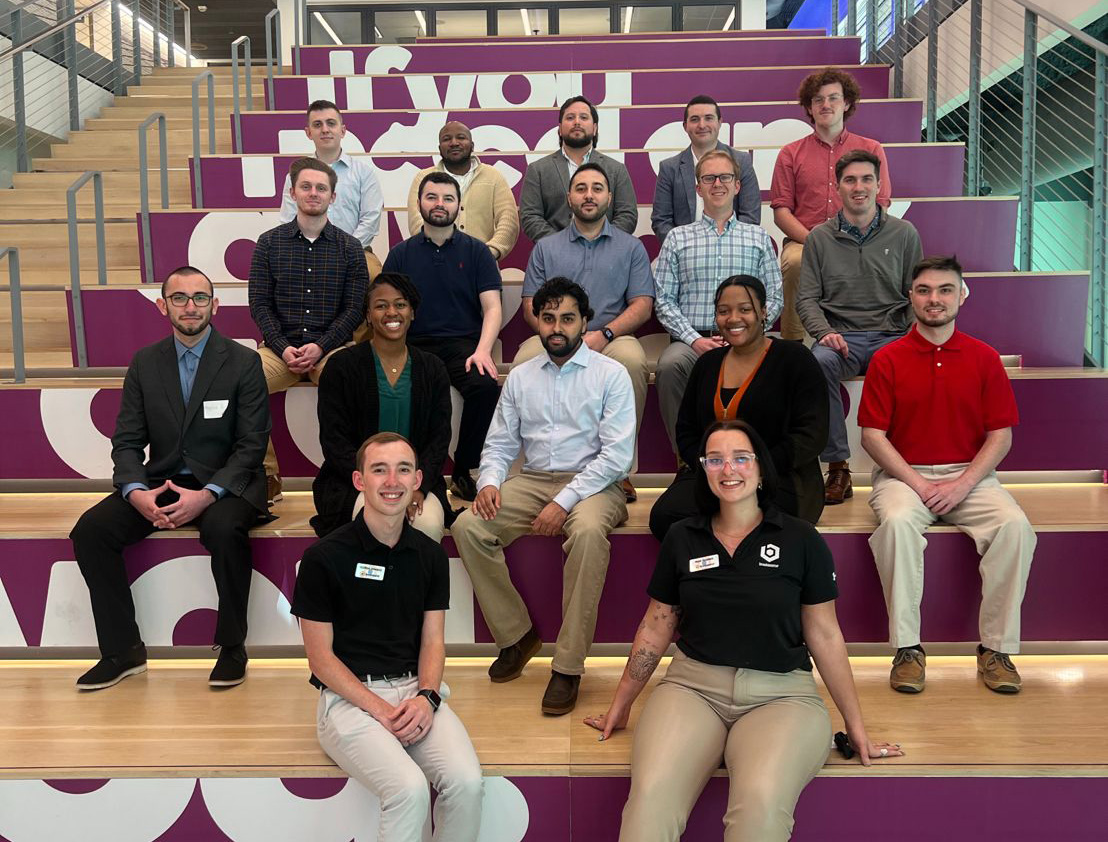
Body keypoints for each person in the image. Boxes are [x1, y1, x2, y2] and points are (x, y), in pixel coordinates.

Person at [585, 419, 902, 842]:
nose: (728, 468)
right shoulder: (683, 537)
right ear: (703, 471)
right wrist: (621, 704)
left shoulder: (801, 538)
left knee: (759, 809)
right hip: (692, 689)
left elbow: (825, 635)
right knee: (649, 802)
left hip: (782, 697)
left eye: (740, 457)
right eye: (715, 460)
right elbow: (657, 624)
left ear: (761, 468)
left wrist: (855, 725)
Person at [70, 267, 270, 690]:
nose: (190, 306)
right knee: (91, 531)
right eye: (179, 298)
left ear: (215, 305)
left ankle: (232, 647)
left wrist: (208, 495)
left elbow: (251, 445)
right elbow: (127, 441)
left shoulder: (243, 361)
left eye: (200, 298)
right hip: (161, 482)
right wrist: (135, 491)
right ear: (163, 306)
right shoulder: (145, 363)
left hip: (225, 484)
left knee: (225, 530)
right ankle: (123, 651)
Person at [452, 278, 635, 716]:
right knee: (469, 526)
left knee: (587, 533)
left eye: (567, 318)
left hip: (596, 483)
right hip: (532, 479)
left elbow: (616, 457)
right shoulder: (521, 376)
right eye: (548, 318)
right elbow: (499, 444)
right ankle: (517, 636)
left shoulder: (611, 374)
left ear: (585, 322)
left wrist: (562, 502)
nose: (556, 328)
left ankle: (568, 667)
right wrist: (490, 482)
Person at [292, 433, 484, 841]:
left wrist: (427, 697)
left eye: (403, 470)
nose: (392, 481)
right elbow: (320, 660)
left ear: (417, 480)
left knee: (466, 784)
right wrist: (380, 709)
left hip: (415, 691)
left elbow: (432, 641)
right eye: (379, 470)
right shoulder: (322, 558)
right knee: (408, 790)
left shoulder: (431, 556)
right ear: (359, 481)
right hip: (349, 701)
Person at [859, 255, 1033, 695]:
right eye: (924, 290)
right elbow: (873, 437)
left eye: (944, 290)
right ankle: (907, 650)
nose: (934, 299)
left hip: (970, 477)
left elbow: (1000, 437)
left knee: (1015, 527)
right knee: (896, 523)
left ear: (961, 296)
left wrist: (961, 485)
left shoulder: (984, 358)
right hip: (903, 477)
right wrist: (920, 485)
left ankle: (995, 650)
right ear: (911, 297)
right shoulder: (887, 359)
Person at [649, 275, 827, 541]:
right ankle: (711, 566)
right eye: (723, 311)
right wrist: (714, 468)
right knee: (666, 515)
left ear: (763, 312)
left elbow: (812, 435)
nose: (733, 318)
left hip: (780, 477)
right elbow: (686, 430)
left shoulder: (795, 359)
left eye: (745, 309)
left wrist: (755, 468)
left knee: (751, 518)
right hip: (716, 476)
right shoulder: (707, 363)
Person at [518, 161, 654, 502]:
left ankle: (619, 471)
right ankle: (537, 468)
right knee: (525, 359)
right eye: (581, 189)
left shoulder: (631, 247)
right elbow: (530, 304)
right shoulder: (546, 248)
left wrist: (604, 335)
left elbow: (642, 305)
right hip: (556, 335)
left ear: (609, 197)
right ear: (569, 198)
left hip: (611, 336)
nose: (589, 195)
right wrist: (560, 336)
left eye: (596, 189)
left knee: (632, 359)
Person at [796, 149, 921, 505]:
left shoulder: (904, 233)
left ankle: (906, 463)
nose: (859, 187)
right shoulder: (819, 238)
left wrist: (912, 336)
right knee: (816, 364)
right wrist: (824, 333)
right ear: (837, 187)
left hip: (891, 336)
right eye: (850, 180)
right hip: (840, 338)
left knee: (919, 364)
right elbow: (806, 299)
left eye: (867, 179)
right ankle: (838, 468)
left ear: (879, 185)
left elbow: (916, 293)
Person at [250, 156, 370, 502]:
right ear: (293, 193)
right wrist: (282, 346)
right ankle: (266, 476)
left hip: (330, 350)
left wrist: (321, 346)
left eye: (321, 188)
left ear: (333, 196)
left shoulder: (351, 248)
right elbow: (259, 303)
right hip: (278, 350)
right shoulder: (268, 243)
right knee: (239, 381)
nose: (313, 193)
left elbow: (354, 309)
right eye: (306, 186)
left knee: (353, 383)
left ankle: (347, 476)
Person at [382, 172, 502, 502]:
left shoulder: (477, 252)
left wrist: (483, 351)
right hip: (413, 346)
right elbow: (388, 310)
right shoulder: (401, 254)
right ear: (419, 203)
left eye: (448, 198)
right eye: (432, 197)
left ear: (458, 206)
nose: (439, 204)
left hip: (464, 346)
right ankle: (414, 475)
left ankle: (464, 471)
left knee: (484, 387)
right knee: (410, 393)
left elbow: (492, 307)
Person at [654, 150, 783, 454]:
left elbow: (774, 296)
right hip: (691, 342)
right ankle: (686, 460)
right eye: (709, 178)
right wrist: (694, 340)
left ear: (737, 185)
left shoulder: (758, 238)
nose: (717, 184)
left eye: (725, 177)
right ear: (698, 188)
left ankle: (757, 458)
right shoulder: (677, 238)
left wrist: (746, 336)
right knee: (670, 365)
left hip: (747, 340)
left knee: (781, 362)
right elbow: (664, 300)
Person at [311, 273, 452, 541]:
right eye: (381, 305)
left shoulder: (432, 368)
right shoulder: (341, 367)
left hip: (415, 483)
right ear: (368, 315)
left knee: (427, 526)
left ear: (412, 312)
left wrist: (415, 485)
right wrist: (373, 483)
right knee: (376, 524)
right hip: (357, 483)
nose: (391, 312)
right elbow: (334, 440)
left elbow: (439, 438)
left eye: (400, 304)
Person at [771, 67, 892, 341]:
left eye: (833, 98)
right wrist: (816, 241)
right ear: (809, 108)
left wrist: (853, 239)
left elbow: (881, 203)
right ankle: (794, 344)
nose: (826, 104)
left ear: (846, 103)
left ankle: (866, 339)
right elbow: (781, 211)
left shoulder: (871, 149)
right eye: (818, 100)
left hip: (860, 239)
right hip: (805, 241)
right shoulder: (790, 153)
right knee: (794, 263)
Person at [279, 99, 385, 281]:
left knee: (374, 277)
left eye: (331, 123)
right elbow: (288, 220)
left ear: (342, 130)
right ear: (308, 132)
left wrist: (345, 251)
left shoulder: (364, 173)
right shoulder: (294, 176)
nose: (325, 129)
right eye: (317, 124)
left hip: (356, 252)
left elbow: (370, 219)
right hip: (305, 252)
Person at [518, 96, 637, 242]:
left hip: (607, 251)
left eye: (584, 117)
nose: (577, 122)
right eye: (570, 117)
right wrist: (558, 245)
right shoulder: (538, 170)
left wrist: (602, 244)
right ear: (559, 129)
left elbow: (627, 215)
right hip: (554, 253)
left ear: (595, 128)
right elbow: (530, 216)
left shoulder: (616, 170)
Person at [651, 94, 761, 242]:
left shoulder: (742, 162)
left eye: (709, 118)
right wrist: (687, 247)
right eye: (694, 119)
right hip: (685, 250)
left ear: (720, 122)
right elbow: (661, 221)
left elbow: (751, 217)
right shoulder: (669, 168)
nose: (702, 125)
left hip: (734, 248)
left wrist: (723, 246)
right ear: (685, 126)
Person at [406, 120, 520, 262]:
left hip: (483, 265)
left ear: (472, 145)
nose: (454, 143)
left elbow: (508, 221)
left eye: (461, 137)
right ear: (439, 148)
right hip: (433, 262)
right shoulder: (423, 178)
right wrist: (438, 252)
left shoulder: (493, 176)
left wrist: (487, 254)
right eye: (447, 139)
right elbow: (416, 221)